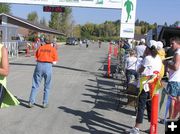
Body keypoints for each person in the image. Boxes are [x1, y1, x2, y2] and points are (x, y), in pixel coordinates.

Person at [126, 40, 162, 134]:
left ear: (148, 48)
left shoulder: (148, 58)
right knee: (150, 106)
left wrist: (140, 64)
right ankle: (152, 127)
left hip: (145, 84)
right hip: (154, 84)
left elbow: (140, 70)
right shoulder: (158, 57)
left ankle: (136, 128)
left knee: (141, 106)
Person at [28, 36, 58, 108]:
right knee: (47, 86)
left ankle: (31, 102)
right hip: (48, 66)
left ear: (44, 41)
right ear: (51, 42)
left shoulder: (40, 48)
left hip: (39, 65)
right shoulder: (53, 49)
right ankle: (45, 103)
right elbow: (55, 62)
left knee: (35, 84)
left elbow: (36, 57)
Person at [163, 36, 180, 119]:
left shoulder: (177, 53)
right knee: (178, 100)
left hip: (174, 80)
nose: (170, 45)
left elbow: (176, 67)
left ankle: (170, 119)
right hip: (177, 80)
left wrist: (166, 63)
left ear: (178, 43)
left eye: (172, 43)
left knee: (171, 100)